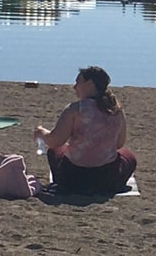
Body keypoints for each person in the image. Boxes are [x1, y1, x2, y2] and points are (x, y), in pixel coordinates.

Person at [35, 65, 136, 194]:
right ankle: (110, 185)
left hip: (74, 176)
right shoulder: (116, 109)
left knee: (54, 151)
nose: (74, 87)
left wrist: (41, 132)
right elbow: (119, 144)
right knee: (128, 156)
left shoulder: (75, 109)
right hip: (107, 177)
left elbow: (55, 141)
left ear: (90, 84)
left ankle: (62, 184)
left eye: (78, 82)